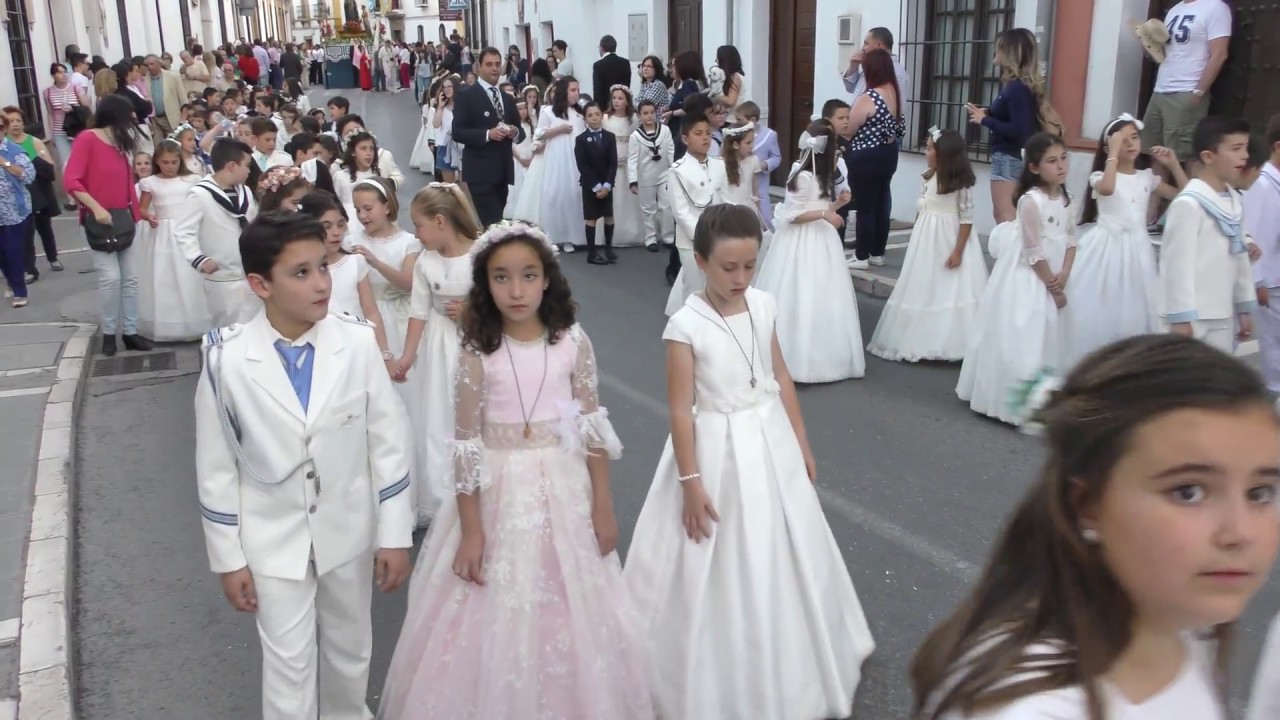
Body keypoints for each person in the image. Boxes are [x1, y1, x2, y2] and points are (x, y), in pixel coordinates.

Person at [915, 333, 1280, 719]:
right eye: (1188, 492)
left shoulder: (1186, 627)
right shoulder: (1031, 711)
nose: (1240, 534)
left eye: (1260, 493)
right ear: (1087, 505)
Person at [376, 221, 651, 719]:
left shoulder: (572, 341)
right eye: (501, 278)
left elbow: (591, 427)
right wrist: (472, 531)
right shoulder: (476, 351)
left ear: (547, 279)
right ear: (485, 284)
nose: (517, 290)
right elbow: (466, 445)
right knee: (491, 606)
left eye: (528, 276)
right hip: (496, 492)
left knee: (568, 604)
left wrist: (604, 507)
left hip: (564, 488)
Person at [626, 204, 875, 718]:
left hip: (771, 438)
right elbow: (680, 408)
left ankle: (802, 656)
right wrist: (690, 482)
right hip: (715, 448)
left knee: (786, 539)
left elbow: (779, 375)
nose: (740, 278)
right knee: (718, 548)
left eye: (749, 266)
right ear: (700, 262)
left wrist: (801, 442)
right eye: (728, 268)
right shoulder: (685, 326)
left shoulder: (763, 304)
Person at [194, 211, 414, 720]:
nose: (321, 284)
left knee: (350, 649)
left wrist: (395, 533)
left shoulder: (356, 343)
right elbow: (216, 467)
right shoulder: (226, 361)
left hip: (347, 527)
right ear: (260, 285)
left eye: (323, 267)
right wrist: (228, 558)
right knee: (288, 663)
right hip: (271, 536)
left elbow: (389, 442)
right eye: (300, 273)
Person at [957, 133, 1076, 425]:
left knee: (1050, 338)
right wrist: (1053, 287)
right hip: (1030, 278)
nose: (1061, 165)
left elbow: (1072, 240)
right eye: (1052, 161)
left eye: (1063, 158)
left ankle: (1045, 398)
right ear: (1034, 167)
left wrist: (1065, 274)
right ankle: (1014, 402)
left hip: (1057, 275)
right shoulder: (1030, 202)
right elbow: (1033, 250)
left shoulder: (1066, 199)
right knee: (1024, 336)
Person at [1060, 115, 1187, 369]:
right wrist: (1113, 155)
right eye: (1122, 140)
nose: (1130, 144)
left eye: (1134, 138)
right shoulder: (1100, 176)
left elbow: (1185, 195)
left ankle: (1128, 360)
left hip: (1137, 249)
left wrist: (1174, 165)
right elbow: (1108, 189)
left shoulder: (1146, 177)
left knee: (1134, 304)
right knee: (1103, 300)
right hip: (1107, 248)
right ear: (1109, 147)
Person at [395, 183, 482, 524]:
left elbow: (498, 302)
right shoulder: (425, 262)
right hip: (438, 345)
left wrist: (471, 312)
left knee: (473, 412)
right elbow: (418, 311)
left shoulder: (480, 255)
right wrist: (407, 356)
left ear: (441, 221)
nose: (416, 234)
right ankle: (442, 496)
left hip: (475, 342)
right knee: (438, 415)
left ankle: (478, 485)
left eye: (419, 225)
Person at [754, 122, 863, 383]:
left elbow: (820, 206)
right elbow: (792, 215)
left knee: (824, 293)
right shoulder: (802, 176)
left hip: (822, 240)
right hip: (801, 241)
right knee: (801, 291)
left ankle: (822, 354)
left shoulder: (823, 175)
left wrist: (836, 204)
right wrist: (826, 214)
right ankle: (792, 356)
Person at [868, 128, 986, 362]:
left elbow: (966, 220)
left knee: (948, 286)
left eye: (930, 148)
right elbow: (922, 208)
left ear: (944, 154)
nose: (926, 152)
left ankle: (951, 343)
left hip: (948, 238)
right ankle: (919, 340)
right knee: (924, 283)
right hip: (927, 238)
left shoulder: (960, 185)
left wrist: (958, 252)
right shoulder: (928, 176)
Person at [63, 94, 152, 354]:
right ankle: (110, 334)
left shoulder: (120, 144)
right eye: (130, 114)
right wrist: (96, 207)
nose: (133, 119)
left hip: (125, 218)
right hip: (100, 220)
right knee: (111, 278)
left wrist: (138, 213)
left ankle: (131, 332)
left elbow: (125, 184)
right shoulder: (88, 139)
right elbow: (71, 180)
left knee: (131, 278)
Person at [1160, 116, 1257, 354]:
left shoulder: (1234, 201)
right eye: (1236, 148)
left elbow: (1240, 258)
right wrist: (1180, 317)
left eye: (1245, 148)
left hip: (1221, 311)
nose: (1245, 156)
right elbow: (1176, 265)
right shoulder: (1189, 204)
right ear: (1208, 156)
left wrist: (1244, 307)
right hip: (1192, 316)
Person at [173, 138, 260, 329]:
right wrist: (198, 258)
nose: (249, 171)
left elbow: (253, 221)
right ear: (231, 166)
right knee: (226, 327)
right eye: (247, 165)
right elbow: (184, 231)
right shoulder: (200, 194)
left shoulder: (245, 191)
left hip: (249, 270)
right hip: (222, 276)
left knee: (252, 326)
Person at [966, 29, 1044, 224]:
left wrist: (985, 120)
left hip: (1008, 157)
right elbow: (1016, 118)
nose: (995, 52)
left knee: (1005, 216)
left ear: (1009, 52)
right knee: (1009, 215)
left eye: (999, 47)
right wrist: (989, 113)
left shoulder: (1017, 88)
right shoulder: (1017, 85)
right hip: (1011, 157)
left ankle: (1011, 246)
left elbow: (1020, 131)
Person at [1141, 0, 1232, 168]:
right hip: (1161, 89)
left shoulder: (1215, 7)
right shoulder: (1174, 10)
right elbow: (1166, 53)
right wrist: (1148, 43)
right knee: (1156, 153)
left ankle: (1190, 187)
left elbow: (1219, 54)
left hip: (1186, 89)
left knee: (1187, 156)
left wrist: (1199, 91)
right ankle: (1158, 187)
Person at [136, 139, 208, 340]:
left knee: (190, 274)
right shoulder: (149, 183)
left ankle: (196, 320)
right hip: (162, 233)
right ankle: (169, 323)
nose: (170, 167)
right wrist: (149, 216)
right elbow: (142, 208)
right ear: (157, 162)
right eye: (165, 162)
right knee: (164, 276)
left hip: (188, 229)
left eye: (174, 162)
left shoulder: (192, 179)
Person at [846, 48, 905, 270]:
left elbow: (850, 128)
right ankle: (877, 252)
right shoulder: (895, 94)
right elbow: (900, 128)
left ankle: (861, 256)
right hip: (888, 154)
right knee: (882, 202)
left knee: (866, 207)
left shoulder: (869, 97)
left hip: (866, 155)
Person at [452, 47, 523, 227]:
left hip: (503, 171)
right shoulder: (467, 96)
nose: (494, 68)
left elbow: (520, 131)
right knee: (492, 224)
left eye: (497, 64)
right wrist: (487, 134)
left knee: (496, 222)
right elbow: (458, 131)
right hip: (480, 172)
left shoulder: (507, 98)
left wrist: (514, 131)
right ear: (479, 67)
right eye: (489, 64)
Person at [664, 111, 726, 314]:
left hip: (719, 236)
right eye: (698, 134)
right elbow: (681, 212)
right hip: (692, 240)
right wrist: (701, 236)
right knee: (695, 287)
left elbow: (724, 199)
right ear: (685, 139)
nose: (705, 138)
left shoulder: (719, 165)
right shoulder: (678, 171)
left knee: (717, 285)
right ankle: (690, 325)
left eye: (708, 133)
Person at [1245, 114, 1280, 396]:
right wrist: (1258, 281)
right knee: (1272, 346)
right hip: (1270, 280)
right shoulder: (1262, 184)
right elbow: (1251, 234)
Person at [574, 101, 619, 265]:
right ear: (585, 119)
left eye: (597, 114)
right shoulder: (581, 139)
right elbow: (582, 165)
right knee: (591, 217)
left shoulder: (610, 137)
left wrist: (607, 185)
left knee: (609, 215)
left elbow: (613, 163)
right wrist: (596, 186)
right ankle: (591, 253)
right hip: (590, 185)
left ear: (602, 116)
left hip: (606, 184)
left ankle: (608, 249)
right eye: (590, 115)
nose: (594, 118)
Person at [627, 98, 674, 252]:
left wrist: (673, 171)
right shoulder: (635, 136)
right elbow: (632, 159)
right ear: (639, 116)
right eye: (645, 113)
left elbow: (671, 151)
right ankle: (650, 238)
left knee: (667, 206)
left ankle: (668, 236)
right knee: (648, 209)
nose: (649, 116)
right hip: (645, 176)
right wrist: (633, 180)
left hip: (664, 174)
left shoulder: (665, 130)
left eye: (652, 112)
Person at [0, 129, 35, 308]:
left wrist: (5, 163)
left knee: (12, 251)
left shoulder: (14, 151)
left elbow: (29, 176)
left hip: (13, 211)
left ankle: (20, 291)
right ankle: (11, 280)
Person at [735, 101, 781, 230]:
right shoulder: (736, 134)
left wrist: (765, 165)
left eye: (740, 120)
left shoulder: (769, 135)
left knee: (764, 220)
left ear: (753, 120)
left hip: (760, 186)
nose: (737, 123)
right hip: (741, 185)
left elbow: (776, 157)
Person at [841, 27, 912, 103]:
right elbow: (850, 88)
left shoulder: (897, 74)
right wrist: (853, 67)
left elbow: (896, 106)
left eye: (866, 43)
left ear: (878, 45)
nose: (862, 48)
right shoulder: (870, 66)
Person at [592, 35, 631, 110]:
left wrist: (598, 109)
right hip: (622, 106)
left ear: (602, 48)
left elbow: (597, 91)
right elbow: (627, 86)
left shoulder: (598, 65)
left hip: (606, 107)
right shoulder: (625, 63)